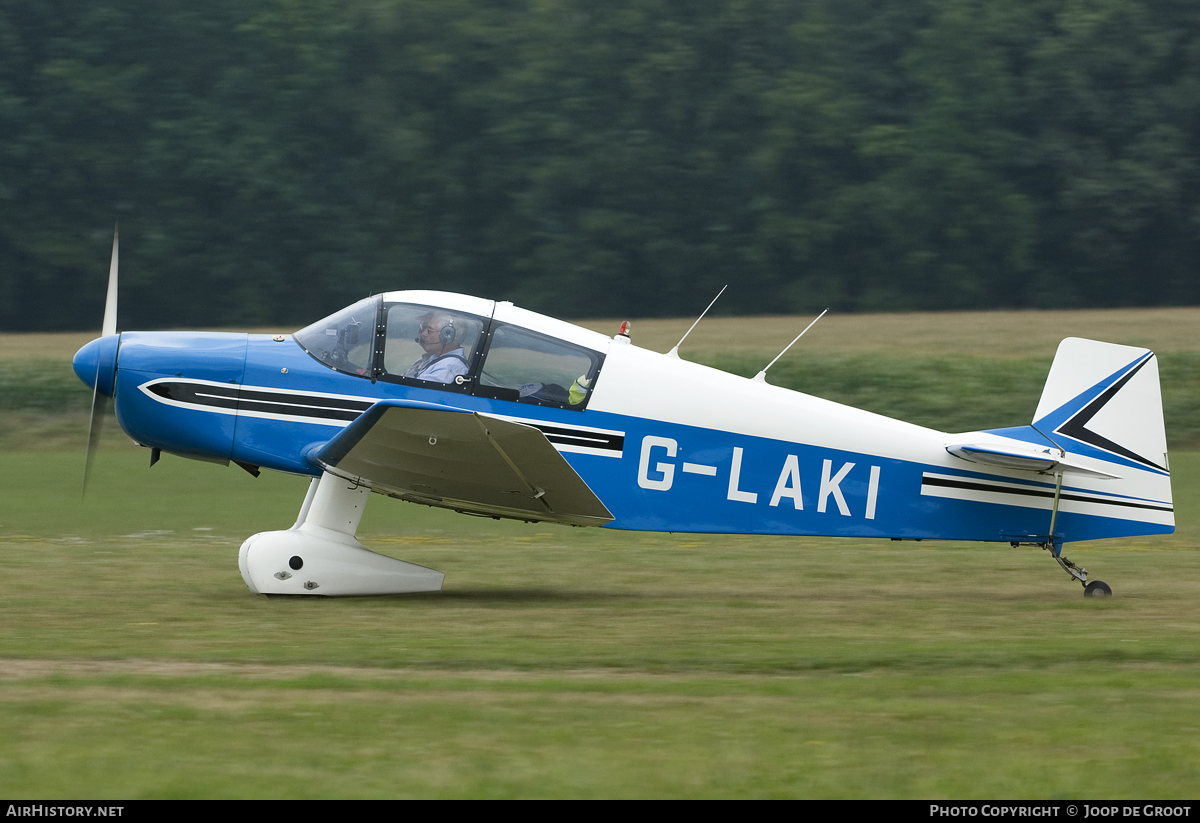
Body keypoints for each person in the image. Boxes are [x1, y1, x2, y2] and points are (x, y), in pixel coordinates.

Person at [403, 312, 469, 383]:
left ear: (447, 335)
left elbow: (413, 392)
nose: (422, 333)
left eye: (429, 330)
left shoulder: (446, 368)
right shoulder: (434, 358)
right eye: (423, 327)